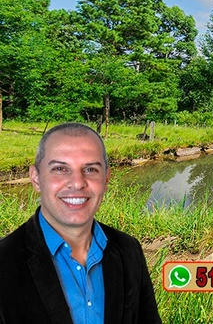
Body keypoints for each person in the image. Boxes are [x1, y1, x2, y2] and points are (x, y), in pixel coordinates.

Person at [0, 122, 162, 324]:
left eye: (91, 169)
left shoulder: (129, 250)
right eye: (60, 168)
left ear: (106, 178)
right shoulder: (4, 261)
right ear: (36, 178)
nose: (77, 183)